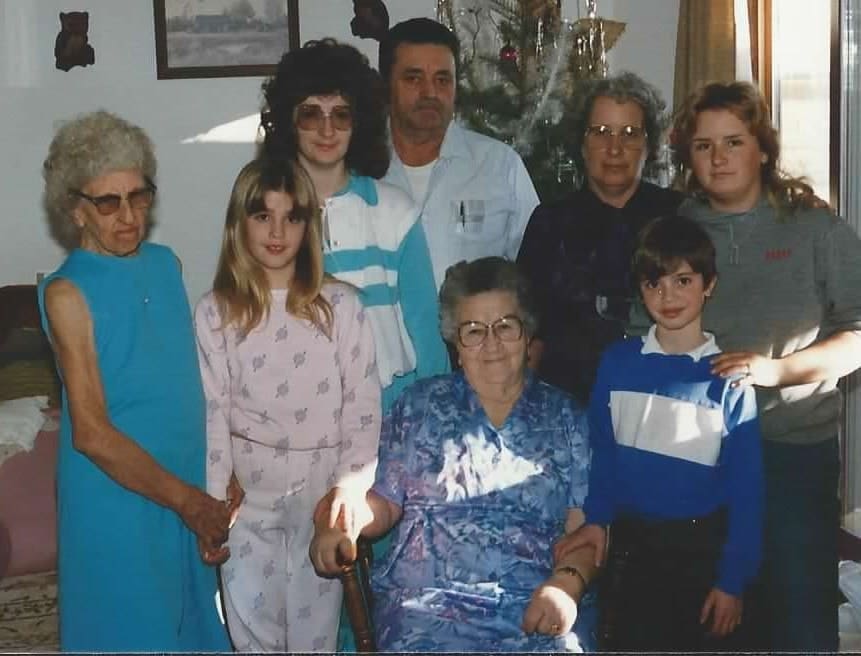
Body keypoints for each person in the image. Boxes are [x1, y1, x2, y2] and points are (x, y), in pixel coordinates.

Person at [310, 257, 599, 652]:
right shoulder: (420, 405)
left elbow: (587, 528)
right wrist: (344, 521)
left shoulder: (566, 417)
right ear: (455, 344)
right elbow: (385, 505)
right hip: (426, 606)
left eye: (505, 327)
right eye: (474, 331)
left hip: (530, 600)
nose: (492, 344)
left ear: (527, 333)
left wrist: (566, 584)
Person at [666, 80, 861, 651]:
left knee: (800, 620)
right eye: (703, 146)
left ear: (764, 149)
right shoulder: (678, 230)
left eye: (734, 141)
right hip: (704, 457)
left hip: (793, 454)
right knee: (720, 624)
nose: (718, 158)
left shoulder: (816, 229)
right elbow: (647, 330)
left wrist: (777, 372)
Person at [36, 110, 232, 651]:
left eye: (138, 197)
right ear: (76, 209)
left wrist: (208, 488)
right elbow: (93, 433)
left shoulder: (166, 264)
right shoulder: (67, 293)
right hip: (118, 497)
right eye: (108, 202)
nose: (127, 216)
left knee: (193, 630)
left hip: (185, 482)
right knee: (132, 631)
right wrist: (188, 502)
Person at [194, 157, 382, 652]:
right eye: (262, 216)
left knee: (315, 634)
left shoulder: (342, 307)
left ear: (308, 225)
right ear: (239, 224)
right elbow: (213, 410)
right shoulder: (215, 312)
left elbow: (362, 404)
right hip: (247, 502)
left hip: (320, 497)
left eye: (292, 217)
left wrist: (350, 487)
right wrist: (213, 504)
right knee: (250, 630)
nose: (277, 231)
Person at [557, 215, 763, 651]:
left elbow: (748, 492)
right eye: (654, 284)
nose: (668, 296)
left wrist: (732, 581)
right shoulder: (618, 363)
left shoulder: (729, 379)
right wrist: (597, 519)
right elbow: (604, 454)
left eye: (683, 280)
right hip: (635, 552)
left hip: (703, 553)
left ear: (709, 284)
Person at [260, 38, 447, 411]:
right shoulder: (265, 217)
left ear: (358, 122)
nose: (327, 130)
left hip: (396, 410)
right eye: (311, 114)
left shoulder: (395, 210)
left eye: (341, 114)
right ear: (289, 122)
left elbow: (425, 329)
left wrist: (435, 418)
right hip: (302, 414)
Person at [517, 72, 683, 404]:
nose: (615, 148)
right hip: (568, 401)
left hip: (663, 397)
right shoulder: (549, 222)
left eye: (630, 134)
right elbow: (527, 326)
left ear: (649, 147)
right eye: (601, 132)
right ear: (581, 143)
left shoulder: (680, 217)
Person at [379, 18, 540, 288]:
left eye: (442, 80)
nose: (429, 92)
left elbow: (537, 270)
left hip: (476, 330)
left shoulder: (500, 166)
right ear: (386, 84)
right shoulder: (357, 169)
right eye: (413, 78)